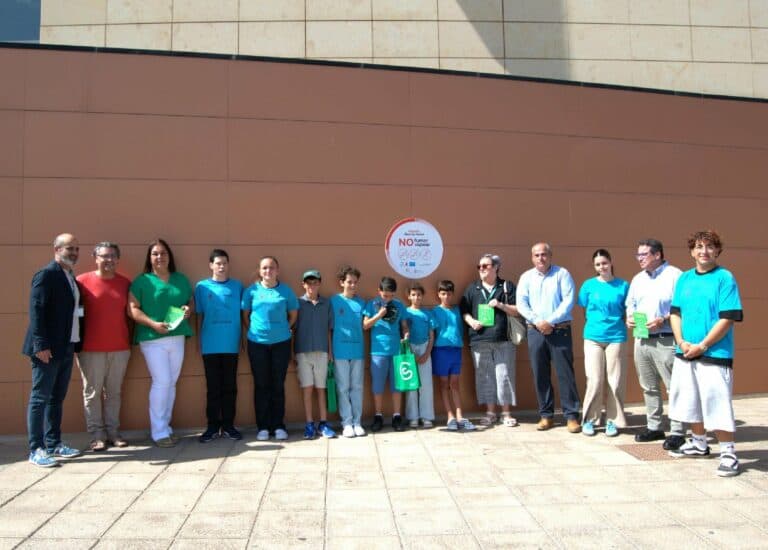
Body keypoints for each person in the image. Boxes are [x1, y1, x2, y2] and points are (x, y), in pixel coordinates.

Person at [668, 231, 744, 477]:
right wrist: (681, 342)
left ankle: (729, 453)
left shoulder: (725, 278)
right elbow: (675, 313)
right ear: (692, 251)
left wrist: (702, 345)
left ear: (717, 251)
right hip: (685, 351)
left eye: (710, 247)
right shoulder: (684, 279)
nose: (704, 251)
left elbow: (728, 318)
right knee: (690, 400)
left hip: (714, 353)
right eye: (699, 247)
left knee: (717, 403)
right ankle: (699, 443)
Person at [23, 233, 83, 467]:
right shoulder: (46, 275)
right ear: (57, 249)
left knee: (57, 398)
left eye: (76, 249)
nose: (74, 253)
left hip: (66, 345)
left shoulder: (69, 276)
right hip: (47, 349)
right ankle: (35, 449)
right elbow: (36, 310)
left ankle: (54, 443)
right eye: (70, 248)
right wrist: (40, 345)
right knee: (40, 398)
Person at [128, 238, 193, 448]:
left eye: (163, 253)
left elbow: (187, 302)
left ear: (169, 256)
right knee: (162, 381)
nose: (159, 257)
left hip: (177, 336)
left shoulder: (180, 279)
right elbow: (133, 309)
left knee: (171, 383)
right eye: (155, 253)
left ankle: (166, 427)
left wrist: (187, 310)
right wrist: (152, 324)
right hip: (152, 338)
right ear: (149, 258)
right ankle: (158, 432)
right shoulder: (142, 281)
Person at [625, 238, 684, 450]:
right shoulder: (637, 279)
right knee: (648, 386)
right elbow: (630, 303)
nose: (639, 259)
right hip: (641, 339)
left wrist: (663, 319)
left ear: (657, 255)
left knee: (673, 387)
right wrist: (629, 317)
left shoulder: (675, 276)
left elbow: (682, 307)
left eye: (643, 255)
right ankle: (655, 426)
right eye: (638, 255)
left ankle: (678, 431)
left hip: (666, 340)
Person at [517, 243, 581, 432]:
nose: (540, 258)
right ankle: (546, 415)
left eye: (544, 254)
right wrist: (538, 321)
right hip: (535, 331)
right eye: (536, 255)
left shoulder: (562, 274)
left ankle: (571, 416)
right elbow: (522, 303)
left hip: (559, 330)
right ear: (532, 258)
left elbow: (568, 301)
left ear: (550, 256)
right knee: (540, 374)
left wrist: (550, 321)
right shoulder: (526, 277)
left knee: (565, 374)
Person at [76, 241, 131, 451]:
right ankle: (97, 435)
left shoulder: (125, 283)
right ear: (95, 258)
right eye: (104, 256)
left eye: (112, 256)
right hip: (90, 348)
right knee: (92, 392)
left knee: (114, 393)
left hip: (120, 347)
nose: (108, 260)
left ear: (117, 259)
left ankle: (113, 433)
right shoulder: (82, 282)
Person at [242, 256, 298, 442]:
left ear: (278, 270)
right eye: (264, 268)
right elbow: (246, 315)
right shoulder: (251, 291)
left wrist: (284, 330)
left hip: (281, 343)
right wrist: (254, 330)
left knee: (277, 384)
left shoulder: (286, 291)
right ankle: (263, 427)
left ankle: (278, 425)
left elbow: (293, 315)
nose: (268, 271)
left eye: (272, 267)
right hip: (257, 343)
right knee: (261, 385)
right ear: (260, 271)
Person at [460, 253, 519, 427]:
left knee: (505, 375)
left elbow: (518, 310)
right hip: (479, 340)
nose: (482, 269)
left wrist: (500, 305)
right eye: (479, 267)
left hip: (504, 338)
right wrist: (472, 321)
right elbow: (464, 310)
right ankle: (490, 413)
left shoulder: (507, 286)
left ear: (496, 268)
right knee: (484, 376)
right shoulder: (473, 288)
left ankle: (506, 414)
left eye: (485, 266)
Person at [577, 249, 629, 437]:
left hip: (616, 337)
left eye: (604, 263)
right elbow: (584, 312)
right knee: (595, 379)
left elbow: (627, 311)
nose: (602, 267)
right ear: (594, 266)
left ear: (611, 262)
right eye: (598, 264)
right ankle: (590, 420)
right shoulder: (588, 285)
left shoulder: (623, 285)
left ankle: (613, 422)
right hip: (592, 338)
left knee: (615, 381)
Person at [195, 249, 243, 443]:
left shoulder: (238, 286)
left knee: (230, 387)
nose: (221, 266)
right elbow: (198, 316)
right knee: (213, 387)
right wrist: (199, 341)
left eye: (224, 263)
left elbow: (244, 315)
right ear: (211, 265)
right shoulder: (201, 287)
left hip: (231, 344)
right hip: (210, 345)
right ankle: (213, 426)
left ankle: (229, 426)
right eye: (218, 263)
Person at [294, 269, 335, 439]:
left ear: (319, 284)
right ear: (303, 285)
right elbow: (292, 329)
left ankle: (323, 424)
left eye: (315, 282)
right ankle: (309, 423)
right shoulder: (297, 303)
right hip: (303, 352)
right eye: (308, 282)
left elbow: (328, 330)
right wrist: (292, 352)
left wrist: (330, 352)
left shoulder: (326, 304)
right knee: (307, 388)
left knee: (321, 388)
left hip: (322, 351)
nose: (312, 286)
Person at [363, 276, 408, 432]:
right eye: (385, 295)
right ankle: (378, 416)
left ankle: (396, 416)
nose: (388, 299)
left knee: (397, 386)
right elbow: (365, 325)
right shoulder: (372, 304)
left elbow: (404, 325)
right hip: (378, 351)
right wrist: (379, 315)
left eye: (391, 296)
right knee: (378, 385)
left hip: (396, 351)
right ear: (379, 291)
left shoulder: (399, 306)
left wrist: (406, 334)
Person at [431, 280, 475, 431]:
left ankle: (460, 416)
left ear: (452, 294)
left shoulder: (457, 310)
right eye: (443, 293)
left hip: (456, 350)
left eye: (449, 293)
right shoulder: (435, 311)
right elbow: (432, 332)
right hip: (441, 350)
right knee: (444, 384)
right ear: (438, 294)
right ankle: (450, 417)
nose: (446, 296)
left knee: (455, 384)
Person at [329, 266, 367, 438]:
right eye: (349, 282)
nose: (352, 285)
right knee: (343, 387)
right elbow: (328, 329)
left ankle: (357, 422)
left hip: (357, 351)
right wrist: (330, 350)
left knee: (357, 387)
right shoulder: (334, 301)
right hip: (339, 351)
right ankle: (346, 423)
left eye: (355, 283)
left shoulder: (362, 303)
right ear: (342, 282)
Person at [403, 282, 436, 429]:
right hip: (409, 349)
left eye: (419, 295)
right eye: (413, 295)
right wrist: (410, 352)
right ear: (409, 296)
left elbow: (431, 335)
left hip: (424, 348)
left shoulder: (427, 314)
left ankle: (427, 417)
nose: (416, 297)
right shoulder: (405, 312)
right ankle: (413, 417)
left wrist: (427, 353)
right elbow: (403, 332)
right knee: (411, 385)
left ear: (422, 296)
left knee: (426, 385)